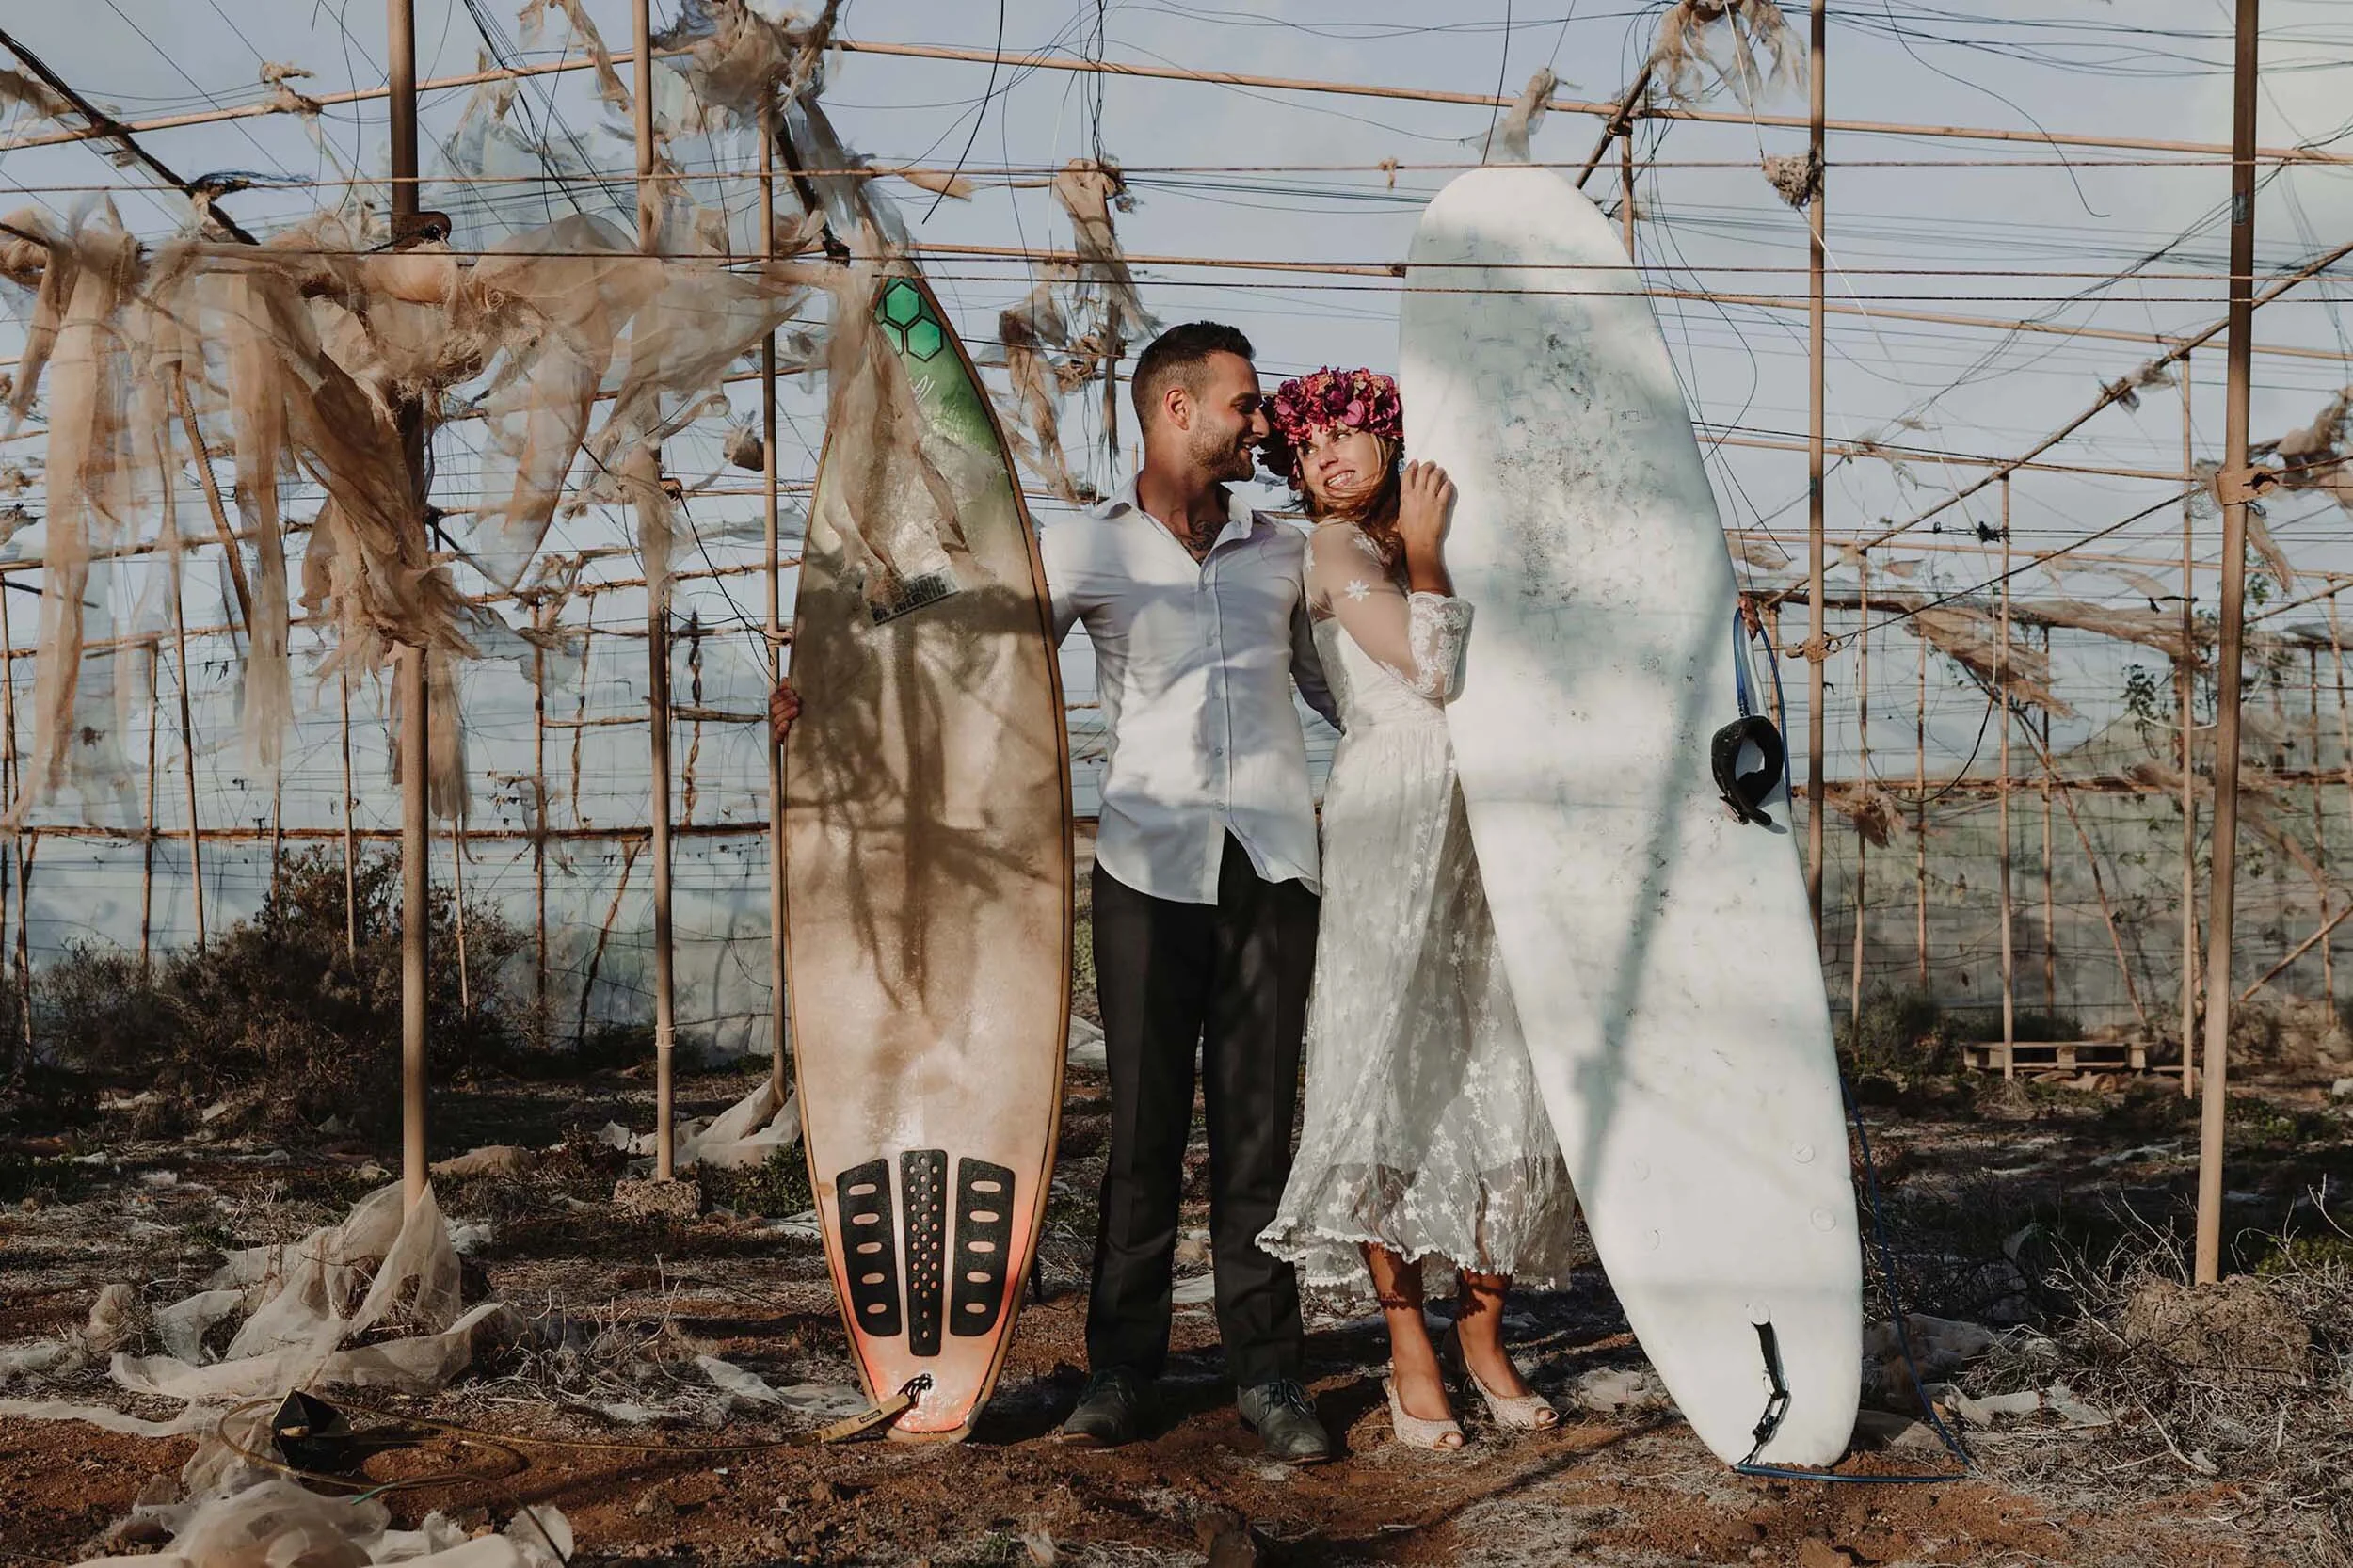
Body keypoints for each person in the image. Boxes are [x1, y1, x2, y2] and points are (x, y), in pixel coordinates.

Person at [773, 322, 1340, 1464]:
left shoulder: (1285, 551)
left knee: (1257, 1136)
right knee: (1140, 1134)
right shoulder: (1085, 547)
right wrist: (828, 685)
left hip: (1272, 870)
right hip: (1146, 872)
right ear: (1176, 409)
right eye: (1243, 402)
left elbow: (1343, 691)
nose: (1262, 420)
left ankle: (1268, 1373)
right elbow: (961, 640)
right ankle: (1122, 1370)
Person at [1253, 367, 1579, 1450]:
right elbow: (1429, 667)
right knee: (1383, 1067)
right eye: (1306, 447)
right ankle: (1408, 1345)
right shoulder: (1335, 547)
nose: (1327, 456)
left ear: (1390, 436)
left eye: (1344, 432)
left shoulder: (1420, 536)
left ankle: (1483, 1332)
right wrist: (1428, 558)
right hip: (1393, 818)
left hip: (1482, 810)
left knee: (1499, 1065)